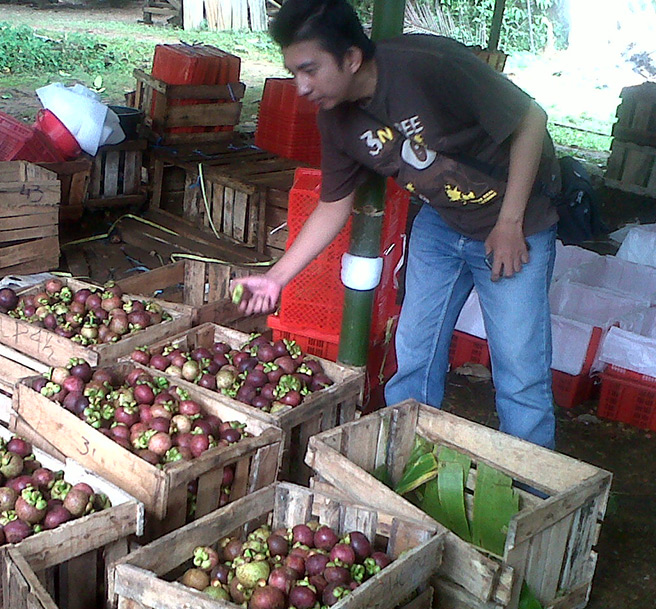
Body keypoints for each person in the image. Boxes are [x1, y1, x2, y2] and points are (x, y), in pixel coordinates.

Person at [233, 0, 561, 448]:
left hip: (516, 225)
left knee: (520, 373)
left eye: (310, 70)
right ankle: (403, 457)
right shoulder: (335, 120)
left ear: (350, 58)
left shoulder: (426, 66)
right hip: (442, 225)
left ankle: (534, 494)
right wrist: (276, 279)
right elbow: (332, 206)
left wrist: (509, 222)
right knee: (413, 356)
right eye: (294, 73)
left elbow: (532, 120)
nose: (301, 87)